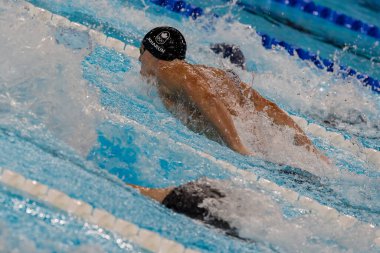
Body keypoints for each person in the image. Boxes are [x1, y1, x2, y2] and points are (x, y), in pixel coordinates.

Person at [139, 26, 329, 163]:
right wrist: (313, 151)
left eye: (142, 50)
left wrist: (238, 147)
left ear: (153, 51)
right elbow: (269, 108)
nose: (139, 57)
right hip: (268, 144)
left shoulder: (166, 69)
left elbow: (208, 99)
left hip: (247, 148)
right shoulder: (213, 74)